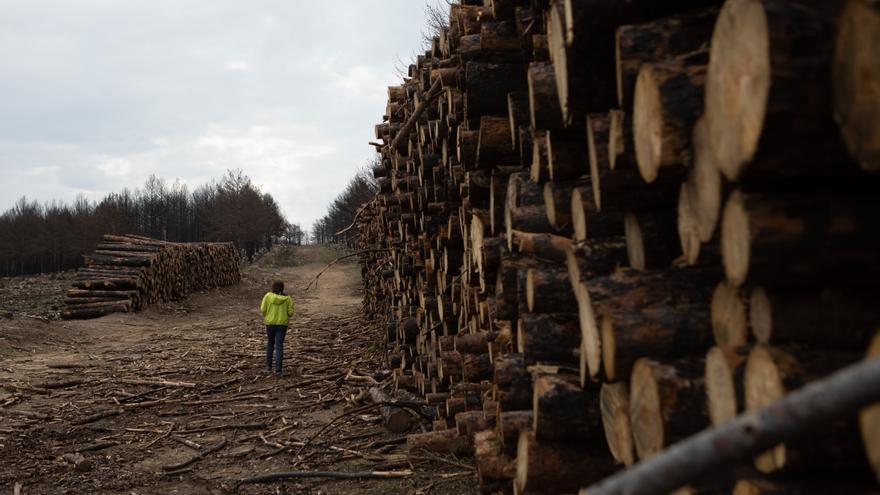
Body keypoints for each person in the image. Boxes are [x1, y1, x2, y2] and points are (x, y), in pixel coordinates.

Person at [260, 280, 294, 376]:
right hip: (282, 325)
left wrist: (268, 315)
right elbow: (291, 313)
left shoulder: (267, 296)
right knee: (279, 346)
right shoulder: (288, 298)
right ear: (283, 288)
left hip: (270, 324)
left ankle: (268, 367)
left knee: (270, 343)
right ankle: (278, 370)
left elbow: (263, 309)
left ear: (273, 287)